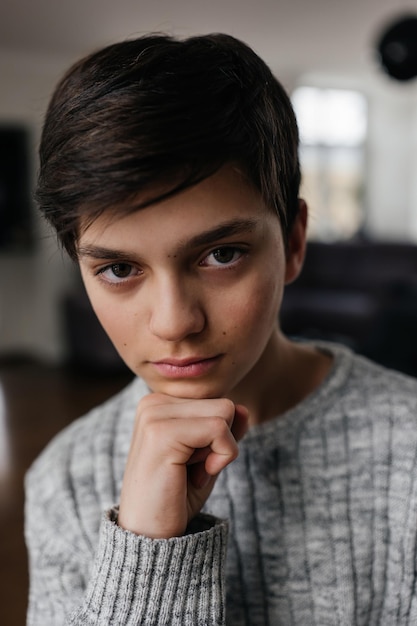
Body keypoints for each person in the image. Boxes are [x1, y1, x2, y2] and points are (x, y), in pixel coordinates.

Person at [25, 33, 417, 626]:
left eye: (222, 255)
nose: (175, 321)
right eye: (120, 269)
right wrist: (146, 550)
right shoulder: (63, 482)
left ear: (292, 242)